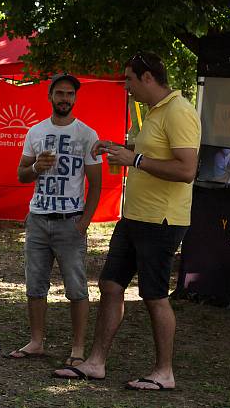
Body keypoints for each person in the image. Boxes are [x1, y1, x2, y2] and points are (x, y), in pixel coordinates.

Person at [53, 52, 200, 391]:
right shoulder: (154, 112)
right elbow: (153, 150)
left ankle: (164, 372)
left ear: (147, 78)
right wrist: (119, 148)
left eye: (129, 79)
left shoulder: (180, 112)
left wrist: (134, 158)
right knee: (110, 285)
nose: (126, 87)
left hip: (161, 220)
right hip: (133, 216)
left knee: (154, 295)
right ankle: (95, 363)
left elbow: (186, 169)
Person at [8, 73, 102, 366]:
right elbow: (21, 174)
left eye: (69, 95)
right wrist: (36, 166)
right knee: (35, 284)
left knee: (76, 287)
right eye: (59, 93)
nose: (64, 99)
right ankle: (36, 342)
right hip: (38, 218)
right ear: (50, 96)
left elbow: (96, 184)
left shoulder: (87, 134)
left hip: (69, 220)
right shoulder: (35, 132)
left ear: (75, 99)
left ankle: (77, 348)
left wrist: (84, 222)